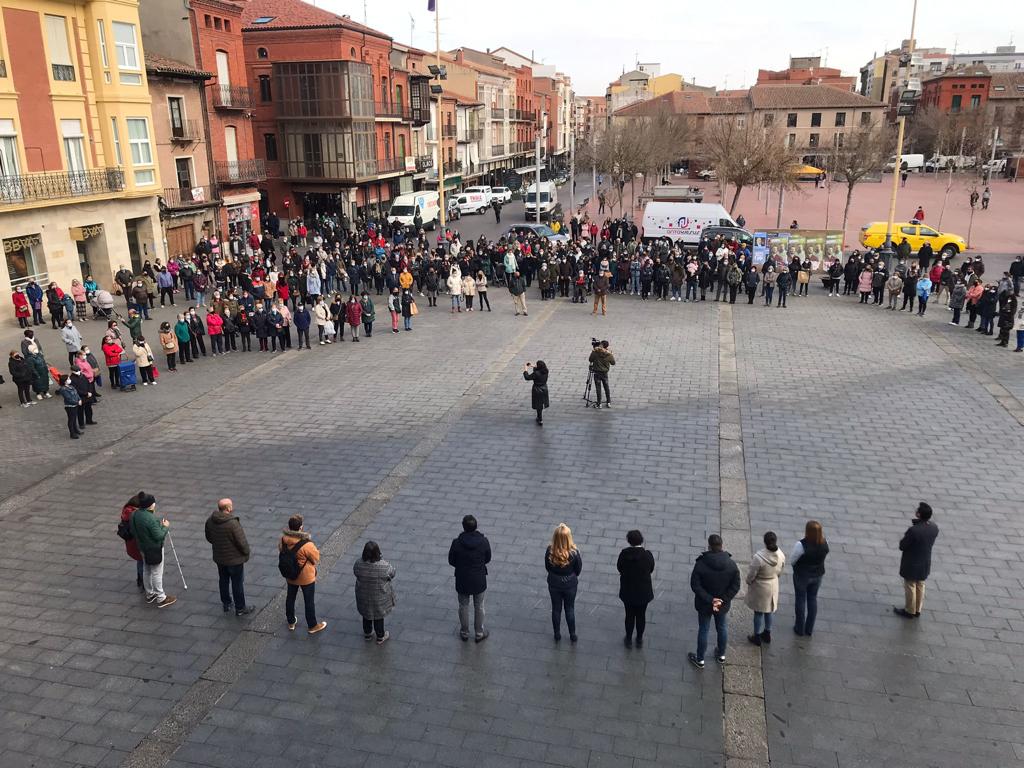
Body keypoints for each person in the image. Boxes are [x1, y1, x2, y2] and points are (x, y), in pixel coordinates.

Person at [687, 534, 740, 669]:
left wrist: (711, 599)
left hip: (705, 604)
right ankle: (721, 655)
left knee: (704, 629)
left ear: (709, 546)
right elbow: (735, 586)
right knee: (722, 627)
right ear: (722, 546)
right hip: (722, 605)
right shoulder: (731, 565)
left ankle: (700, 659)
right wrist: (722, 600)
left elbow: (695, 585)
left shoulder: (701, 564)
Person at [279, 514, 327, 634]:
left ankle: (291, 622)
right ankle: (312, 625)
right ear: (301, 527)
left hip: (290, 575)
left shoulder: (283, 540)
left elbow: (281, 550)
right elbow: (316, 558)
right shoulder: (307, 544)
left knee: (290, 598)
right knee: (308, 601)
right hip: (306, 577)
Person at [204, 498, 253, 616]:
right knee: (237, 583)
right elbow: (242, 542)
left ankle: (226, 603)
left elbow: (209, 537)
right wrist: (246, 553)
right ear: (228, 508)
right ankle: (240, 608)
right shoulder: (232, 523)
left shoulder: (210, 521)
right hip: (234, 560)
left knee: (223, 580)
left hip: (220, 558)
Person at [448, 514, 491, 643]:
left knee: (463, 605)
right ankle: (479, 632)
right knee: (479, 606)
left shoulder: (457, 543)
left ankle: (464, 632)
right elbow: (488, 558)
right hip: (479, 579)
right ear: (476, 526)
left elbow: (451, 560)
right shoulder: (483, 541)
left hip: (462, 579)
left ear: (463, 527)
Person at [129, 494, 177, 608]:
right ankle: (161, 597)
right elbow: (159, 536)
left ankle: (150, 594)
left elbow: (133, 531)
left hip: (142, 548)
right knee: (156, 572)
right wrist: (165, 526)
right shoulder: (151, 519)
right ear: (150, 505)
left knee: (147, 570)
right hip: (153, 549)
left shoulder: (134, 514)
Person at [894, 502, 939, 619]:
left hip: (912, 563)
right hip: (924, 562)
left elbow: (902, 546)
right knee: (920, 584)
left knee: (910, 585)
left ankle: (910, 610)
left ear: (919, 514)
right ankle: (918, 609)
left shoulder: (913, 531)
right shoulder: (934, 527)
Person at [745, 531, 785, 646]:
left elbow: (752, 573)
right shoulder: (781, 555)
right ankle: (767, 633)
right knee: (769, 610)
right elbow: (781, 571)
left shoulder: (759, 557)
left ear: (765, 542)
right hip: (773, 584)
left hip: (760, 587)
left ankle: (756, 635)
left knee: (758, 612)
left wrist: (749, 581)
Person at [617, 529, 655, 648]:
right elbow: (651, 568)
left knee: (629, 615)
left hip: (628, 591)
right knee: (641, 615)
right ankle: (639, 639)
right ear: (641, 540)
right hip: (643, 592)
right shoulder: (647, 555)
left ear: (629, 541)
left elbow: (619, 567)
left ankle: (628, 639)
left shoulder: (624, 554)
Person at [545, 524, 582, 643]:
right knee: (570, 609)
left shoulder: (550, 551)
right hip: (570, 584)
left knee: (556, 609)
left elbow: (547, 567)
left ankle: (557, 634)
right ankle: (572, 634)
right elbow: (578, 569)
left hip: (554, 583)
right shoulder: (574, 553)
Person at [354, 541, 396, 644]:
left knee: (366, 614)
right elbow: (392, 573)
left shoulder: (359, 563)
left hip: (363, 594)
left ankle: (368, 633)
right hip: (379, 596)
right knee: (378, 616)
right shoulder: (384, 566)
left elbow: (355, 572)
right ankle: (380, 636)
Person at [791, 520, 828, 637]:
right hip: (818, 574)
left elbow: (793, 560)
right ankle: (809, 628)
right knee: (812, 599)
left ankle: (799, 628)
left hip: (802, 575)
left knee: (800, 599)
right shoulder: (825, 542)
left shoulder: (801, 545)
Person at [118, 492, 145, 591]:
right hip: (138, 543)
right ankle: (143, 582)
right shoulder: (136, 515)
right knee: (143, 562)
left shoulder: (126, 512)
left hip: (131, 544)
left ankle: (140, 579)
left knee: (140, 561)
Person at [588, 339, 614, 408]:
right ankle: (608, 402)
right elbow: (613, 363)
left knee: (598, 388)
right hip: (605, 373)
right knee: (606, 387)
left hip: (597, 373)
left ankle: (599, 404)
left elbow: (590, 360)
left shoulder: (595, 352)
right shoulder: (609, 354)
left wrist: (593, 351)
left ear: (601, 345)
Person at [523, 360, 549, 425]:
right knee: (541, 403)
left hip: (537, 389)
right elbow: (538, 369)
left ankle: (540, 419)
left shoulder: (536, 373)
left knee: (538, 404)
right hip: (544, 388)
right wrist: (532, 365)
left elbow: (527, 377)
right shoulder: (546, 371)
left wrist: (525, 369)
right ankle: (539, 417)